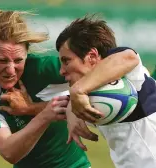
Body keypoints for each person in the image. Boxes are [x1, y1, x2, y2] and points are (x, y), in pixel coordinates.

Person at [0, 9, 93, 168]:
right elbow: (10, 152)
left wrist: (31, 108)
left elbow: (96, 73)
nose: (11, 70)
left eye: (18, 60)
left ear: (27, 53)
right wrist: (44, 115)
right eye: (2, 60)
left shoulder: (44, 69)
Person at [55, 15, 156, 168]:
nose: (62, 71)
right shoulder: (87, 94)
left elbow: (128, 57)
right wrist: (71, 108)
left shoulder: (128, 76)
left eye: (66, 61)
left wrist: (78, 91)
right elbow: (56, 105)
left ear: (92, 56)